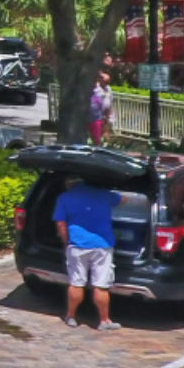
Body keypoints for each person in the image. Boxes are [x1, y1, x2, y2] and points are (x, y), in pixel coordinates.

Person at [54, 175, 123, 330]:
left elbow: (60, 223)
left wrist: (66, 242)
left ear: (71, 183)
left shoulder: (64, 197)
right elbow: (123, 200)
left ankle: (71, 316)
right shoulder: (105, 195)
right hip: (102, 245)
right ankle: (104, 321)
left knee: (77, 283)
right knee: (101, 285)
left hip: (77, 245)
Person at [89, 72, 112, 146]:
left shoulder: (107, 90)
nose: (106, 84)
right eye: (105, 82)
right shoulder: (95, 90)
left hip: (98, 118)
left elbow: (107, 104)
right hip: (88, 118)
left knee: (98, 139)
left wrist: (107, 117)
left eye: (107, 82)